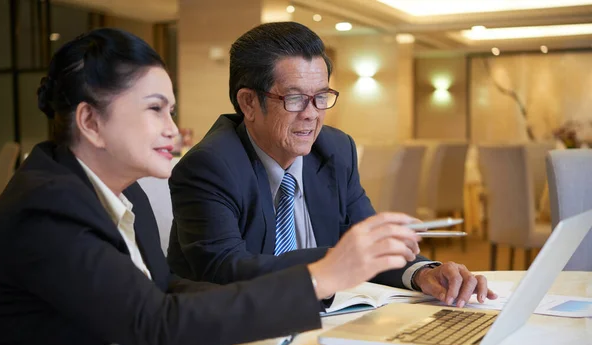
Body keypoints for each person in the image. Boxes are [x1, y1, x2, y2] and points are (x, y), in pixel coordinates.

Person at [0, 28, 424, 345]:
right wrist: (321, 277)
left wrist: (299, 299)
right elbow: (157, 322)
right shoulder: (49, 208)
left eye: (171, 110)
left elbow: (165, 290)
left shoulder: (125, 194)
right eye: (154, 109)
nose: (173, 130)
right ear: (90, 122)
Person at [168, 22, 496, 306]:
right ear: (249, 102)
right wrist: (335, 263)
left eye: (321, 96)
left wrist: (423, 273)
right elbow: (224, 269)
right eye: (294, 98)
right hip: (237, 335)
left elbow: (365, 241)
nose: (312, 113)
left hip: (325, 324)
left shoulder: (335, 150)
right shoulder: (209, 166)